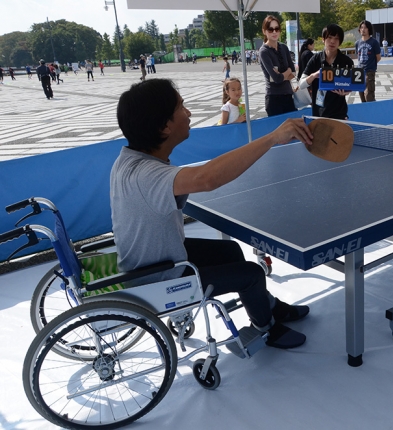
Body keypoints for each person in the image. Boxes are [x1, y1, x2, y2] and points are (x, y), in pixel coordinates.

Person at [112, 78, 313, 350]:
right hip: (158, 277)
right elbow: (207, 179)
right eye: (182, 107)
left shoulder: (129, 160)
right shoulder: (146, 175)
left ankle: (270, 307)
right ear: (164, 126)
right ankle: (266, 329)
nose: (189, 113)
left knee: (229, 253)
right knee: (252, 272)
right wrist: (273, 137)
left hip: (153, 259)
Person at [299, 23, 354, 119]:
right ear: (323, 39)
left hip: (339, 113)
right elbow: (301, 84)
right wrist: (314, 75)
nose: (332, 41)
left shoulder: (346, 61)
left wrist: (346, 91)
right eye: (329, 37)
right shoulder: (315, 59)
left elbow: (353, 84)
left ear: (340, 41)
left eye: (336, 38)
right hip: (319, 114)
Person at [258, 15, 297, 117]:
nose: (274, 32)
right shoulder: (264, 52)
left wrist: (283, 74)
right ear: (264, 31)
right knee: (280, 131)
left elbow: (293, 72)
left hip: (288, 95)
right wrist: (287, 72)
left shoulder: (284, 48)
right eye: (270, 29)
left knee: (294, 129)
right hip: (274, 98)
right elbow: (277, 79)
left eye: (277, 29)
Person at [355, 20, 382, 102]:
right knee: (361, 94)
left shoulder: (374, 42)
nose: (363, 29)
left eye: (365, 27)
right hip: (359, 72)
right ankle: (364, 112)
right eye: (361, 27)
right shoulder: (357, 43)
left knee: (369, 95)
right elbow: (358, 56)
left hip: (369, 71)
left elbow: (378, 57)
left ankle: (372, 112)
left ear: (369, 29)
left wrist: (371, 64)